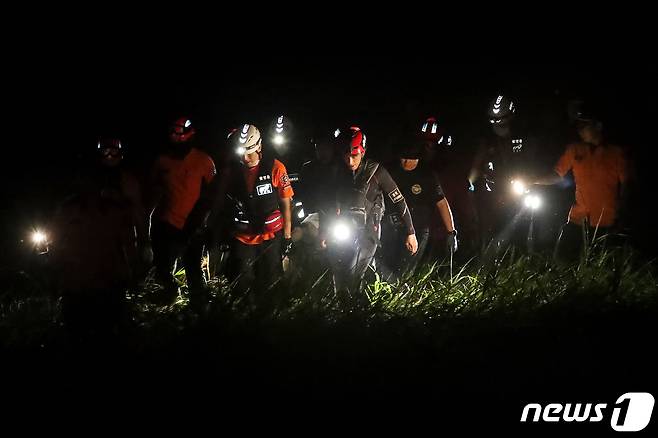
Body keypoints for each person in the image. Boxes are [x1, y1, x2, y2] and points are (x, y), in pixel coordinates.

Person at [321, 126, 418, 301]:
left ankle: (359, 311)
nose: (350, 161)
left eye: (354, 156)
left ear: (363, 152)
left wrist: (411, 232)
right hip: (344, 228)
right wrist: (325, 231)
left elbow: (399, 200)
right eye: (346, 155)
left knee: (353, 274)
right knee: (339, 272)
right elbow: (329, 202)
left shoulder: (377, 171)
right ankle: (344, 309)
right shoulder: (339, 172)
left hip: (369, 229)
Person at [534, 102, 629, 261]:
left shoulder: (617, 154)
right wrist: (532, 180)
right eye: (578, 125)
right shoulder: (575, 150)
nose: (580, 130)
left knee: (600, 267)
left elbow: (627, 185)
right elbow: (557, 174)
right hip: (578, 220)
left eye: (584, 125)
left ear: (598, 126)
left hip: (606, 222)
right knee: (561, 260)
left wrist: (622, 213)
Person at [212, 124, 294, 304]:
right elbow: (220, 201)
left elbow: (286, 202)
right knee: (241, 282)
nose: (245, 157)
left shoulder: (276, 167)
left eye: (249, 152)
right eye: (241, 152)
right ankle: (244, 316)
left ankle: (270, 317)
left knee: (271, 280)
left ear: (259, 146)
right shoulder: (232, 171)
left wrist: (287, 236)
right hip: (243, 236)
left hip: (270, 236)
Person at [150, 117, 216, 306]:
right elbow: (154, 190)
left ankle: (198, 306)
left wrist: (206, 224)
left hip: (193, 225)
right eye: (174, 138)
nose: (177, 142)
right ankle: (169, 298)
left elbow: (213, 195)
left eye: (181, 138)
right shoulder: (162, 161)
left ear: (190, 136)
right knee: (162, 268)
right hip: (167, 223)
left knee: (193, 268)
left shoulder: (204, 161)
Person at [380, 141, 457, 280]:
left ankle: (402, 294)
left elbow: (441, 203)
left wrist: (451, 232)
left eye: (410, 159)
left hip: (419, 227)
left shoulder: (427, 175)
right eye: (403, 158)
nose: (405, 162)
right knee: (387, 264)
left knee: (406, 270)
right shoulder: (390, 170)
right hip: (391, 226)